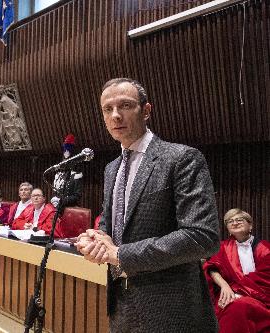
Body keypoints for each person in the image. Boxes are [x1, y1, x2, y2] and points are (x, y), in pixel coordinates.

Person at [75, 78, 220, 332]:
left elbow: (202, 237)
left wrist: (120, 255)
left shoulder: (181, 158)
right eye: (108, 109)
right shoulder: (111, 169)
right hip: (121, 307)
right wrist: (94, 240)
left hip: (172, 310)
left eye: (125, 106)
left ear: (146, 111)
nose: (116, 115)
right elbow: (109, 231)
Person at [203, 209, 270, 333]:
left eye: (239, 219)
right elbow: (211, 268)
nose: (235, 223)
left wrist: (238, 291)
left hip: (260, 297)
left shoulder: (266, 248)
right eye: (230, 221)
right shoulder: (222, 247)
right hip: (228, 294)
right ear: (228, 229)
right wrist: (224, 285)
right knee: (230, 306)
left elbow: (265, 279)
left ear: (250, 225)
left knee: (239, 306)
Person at [50, 133, 83, 209]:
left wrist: (63, 200)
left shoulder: (77, 175)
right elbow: (55, 192)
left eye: (68, 162)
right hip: (56, 208)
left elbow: (77, 195)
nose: (65, 163)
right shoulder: (57, 175)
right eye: (64, 161)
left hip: (70, 209)